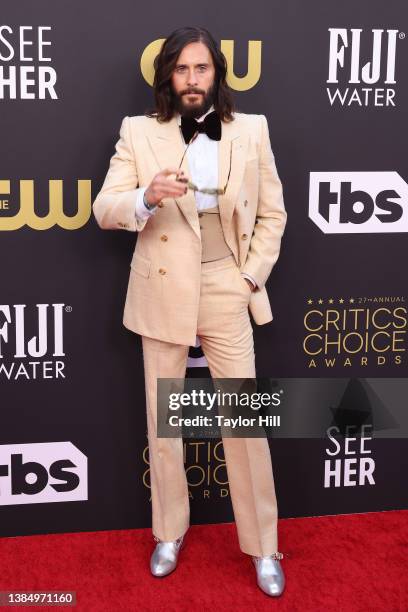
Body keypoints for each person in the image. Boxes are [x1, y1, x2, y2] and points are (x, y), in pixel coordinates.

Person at [92, 25, 288, 597]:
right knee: (166, 423)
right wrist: (146, 196)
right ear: (168, 77)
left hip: (228, 281)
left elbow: (274, 215)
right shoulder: (137, 132)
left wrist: (249, 275)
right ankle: (169, 533)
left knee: (245, 426)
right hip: (161, 284)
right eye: (182, 69)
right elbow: (105, 208)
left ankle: (263, 546)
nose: (193, 79)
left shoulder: (251, 130)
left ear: (216, 75)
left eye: (202, 69)